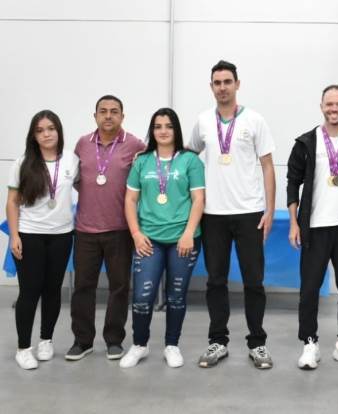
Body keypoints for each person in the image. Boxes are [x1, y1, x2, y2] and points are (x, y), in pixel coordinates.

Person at [188, 60, 276, 369]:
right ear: (211, 87)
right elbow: (188, 155)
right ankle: (218, 341)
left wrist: (269, 209)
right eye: (217, 82)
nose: (222, 87)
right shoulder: (203, 121)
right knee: (216, 281)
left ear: (237, 84)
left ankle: (258, 343)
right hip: (213, 214)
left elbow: (267, 166)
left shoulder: (254, 120)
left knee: (254, 281)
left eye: (227, 81)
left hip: (249, 212)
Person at [119, 108, 205, 368]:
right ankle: (140, 345)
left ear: (176, 130)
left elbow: (198, 199)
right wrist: (136, 234)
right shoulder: (142, 161)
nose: (163, 131)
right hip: (149, 239)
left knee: (176, 296)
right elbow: (130, 200)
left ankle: (172, 345)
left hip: (183, 239)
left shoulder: (190, 161)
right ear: (152, 131)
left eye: (168, 126)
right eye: (158, 126)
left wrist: (188, 233)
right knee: (142, 297)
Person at [286, 85, 338, 370]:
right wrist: (294, 222)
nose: (334, 109)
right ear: (321, 106)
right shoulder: (306, 142)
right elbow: (292, 183)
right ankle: (310, 343)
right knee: (309, 289)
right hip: (315, 227)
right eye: (329, 104)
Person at [66, 95, 145, 361]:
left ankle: (114, 340)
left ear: (122, 116)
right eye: (103, 111)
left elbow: (150, 171)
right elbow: (76, 179)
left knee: (119, 287)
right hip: (86, 229)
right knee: (83, 287)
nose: (108, 116)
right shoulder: (82, 144)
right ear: (95, 116)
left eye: (114, 111)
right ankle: (82, 341)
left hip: (120, 229)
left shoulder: (135, 144)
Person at [7, 110, 79, 369]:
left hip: (62, 235)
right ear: (33, 136)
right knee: (30, 291)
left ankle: (46, 340)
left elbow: (87, 186)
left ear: (58, 131)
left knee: (53, 290)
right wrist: (14, 235)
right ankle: (23, 348)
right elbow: (12, 202)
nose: (46, 134)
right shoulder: (23, 163)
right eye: (40, 130)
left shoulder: (72, 160)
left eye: (51, 128)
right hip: (30, 234)